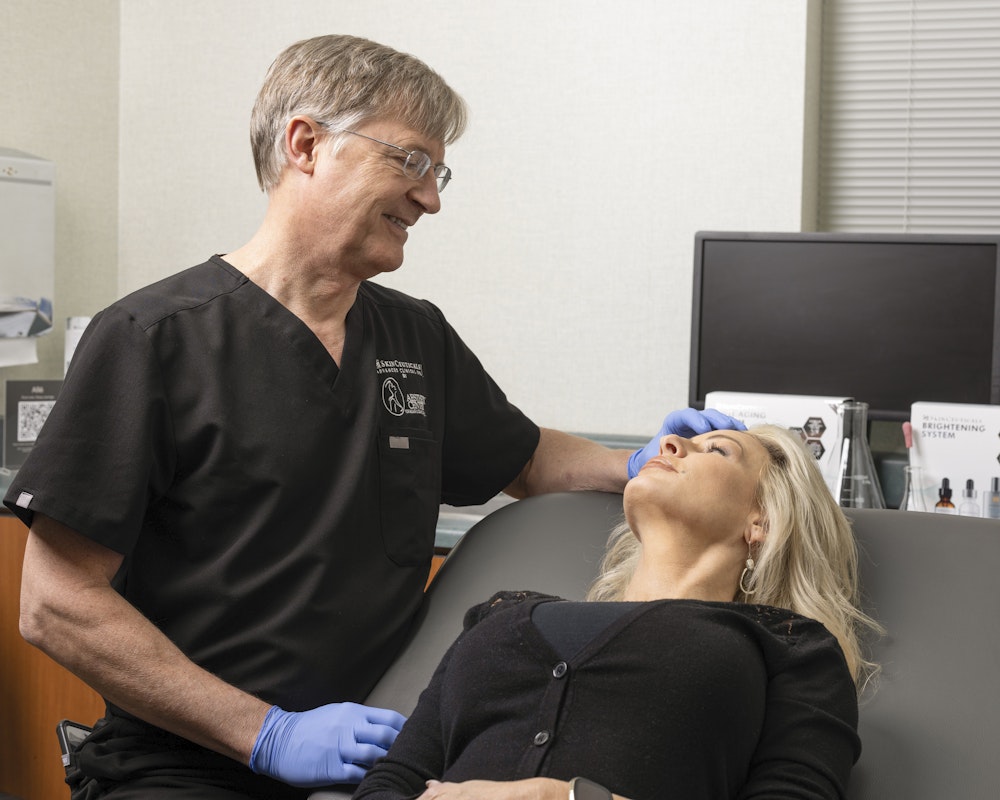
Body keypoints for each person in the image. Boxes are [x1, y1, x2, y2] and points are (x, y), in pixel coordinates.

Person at [6, 34, 743, 800]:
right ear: (306, 144)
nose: (431, 197)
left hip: (390, 757)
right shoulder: (153, 339)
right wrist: (264, 732)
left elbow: (522, 459)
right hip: (190, 762)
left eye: (438, 171)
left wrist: (637, 462)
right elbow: (56, 604)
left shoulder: (413, 336)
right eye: (411, 161)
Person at [353, 425, 883, 800]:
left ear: (761, 520)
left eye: (716, 451)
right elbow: (395, 779)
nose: (669, 442)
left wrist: (560, 797)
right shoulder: (500, 615)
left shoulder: (792, 648)